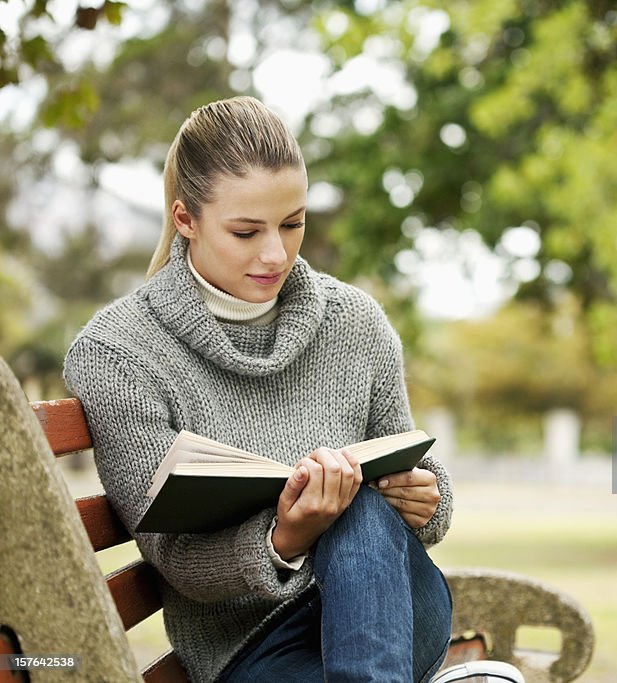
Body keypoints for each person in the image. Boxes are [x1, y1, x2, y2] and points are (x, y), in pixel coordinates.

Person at [63, 96, 454, 682]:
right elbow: (177, 558)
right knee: (346, 506)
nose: (276, 254)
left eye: (293, 223)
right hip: (253, 650)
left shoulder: (355, 321)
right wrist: (288, 535)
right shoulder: (119, 353)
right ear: (185, 219)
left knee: (360, 504)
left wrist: (426, 496)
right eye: (246, 232)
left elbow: (421, 476)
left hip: (397, 606)